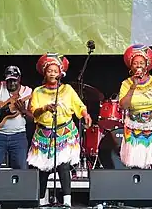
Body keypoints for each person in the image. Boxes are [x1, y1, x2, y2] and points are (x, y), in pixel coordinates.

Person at [27, 53, 92, 207]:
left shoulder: (67, 89)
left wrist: (85, 114)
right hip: (44, 134)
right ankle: (41, 201)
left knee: (63, 165)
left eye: (55, 71)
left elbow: (79, 105)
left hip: (64, 132)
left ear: (60, 74)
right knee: (42, 169)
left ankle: (67, 202)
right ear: (45, 72)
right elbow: (34, 113)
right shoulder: (37, 91)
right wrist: (45, 108)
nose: (52, 74)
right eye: (50, 71)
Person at [118, 44, 152, 170]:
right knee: (136, 165)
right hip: (134, 126)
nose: (138, 66)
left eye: (141, 63)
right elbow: (123, 105)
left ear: (147, 65)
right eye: (135, 63)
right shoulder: (126, 83)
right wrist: (133, 86)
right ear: (131, 66)